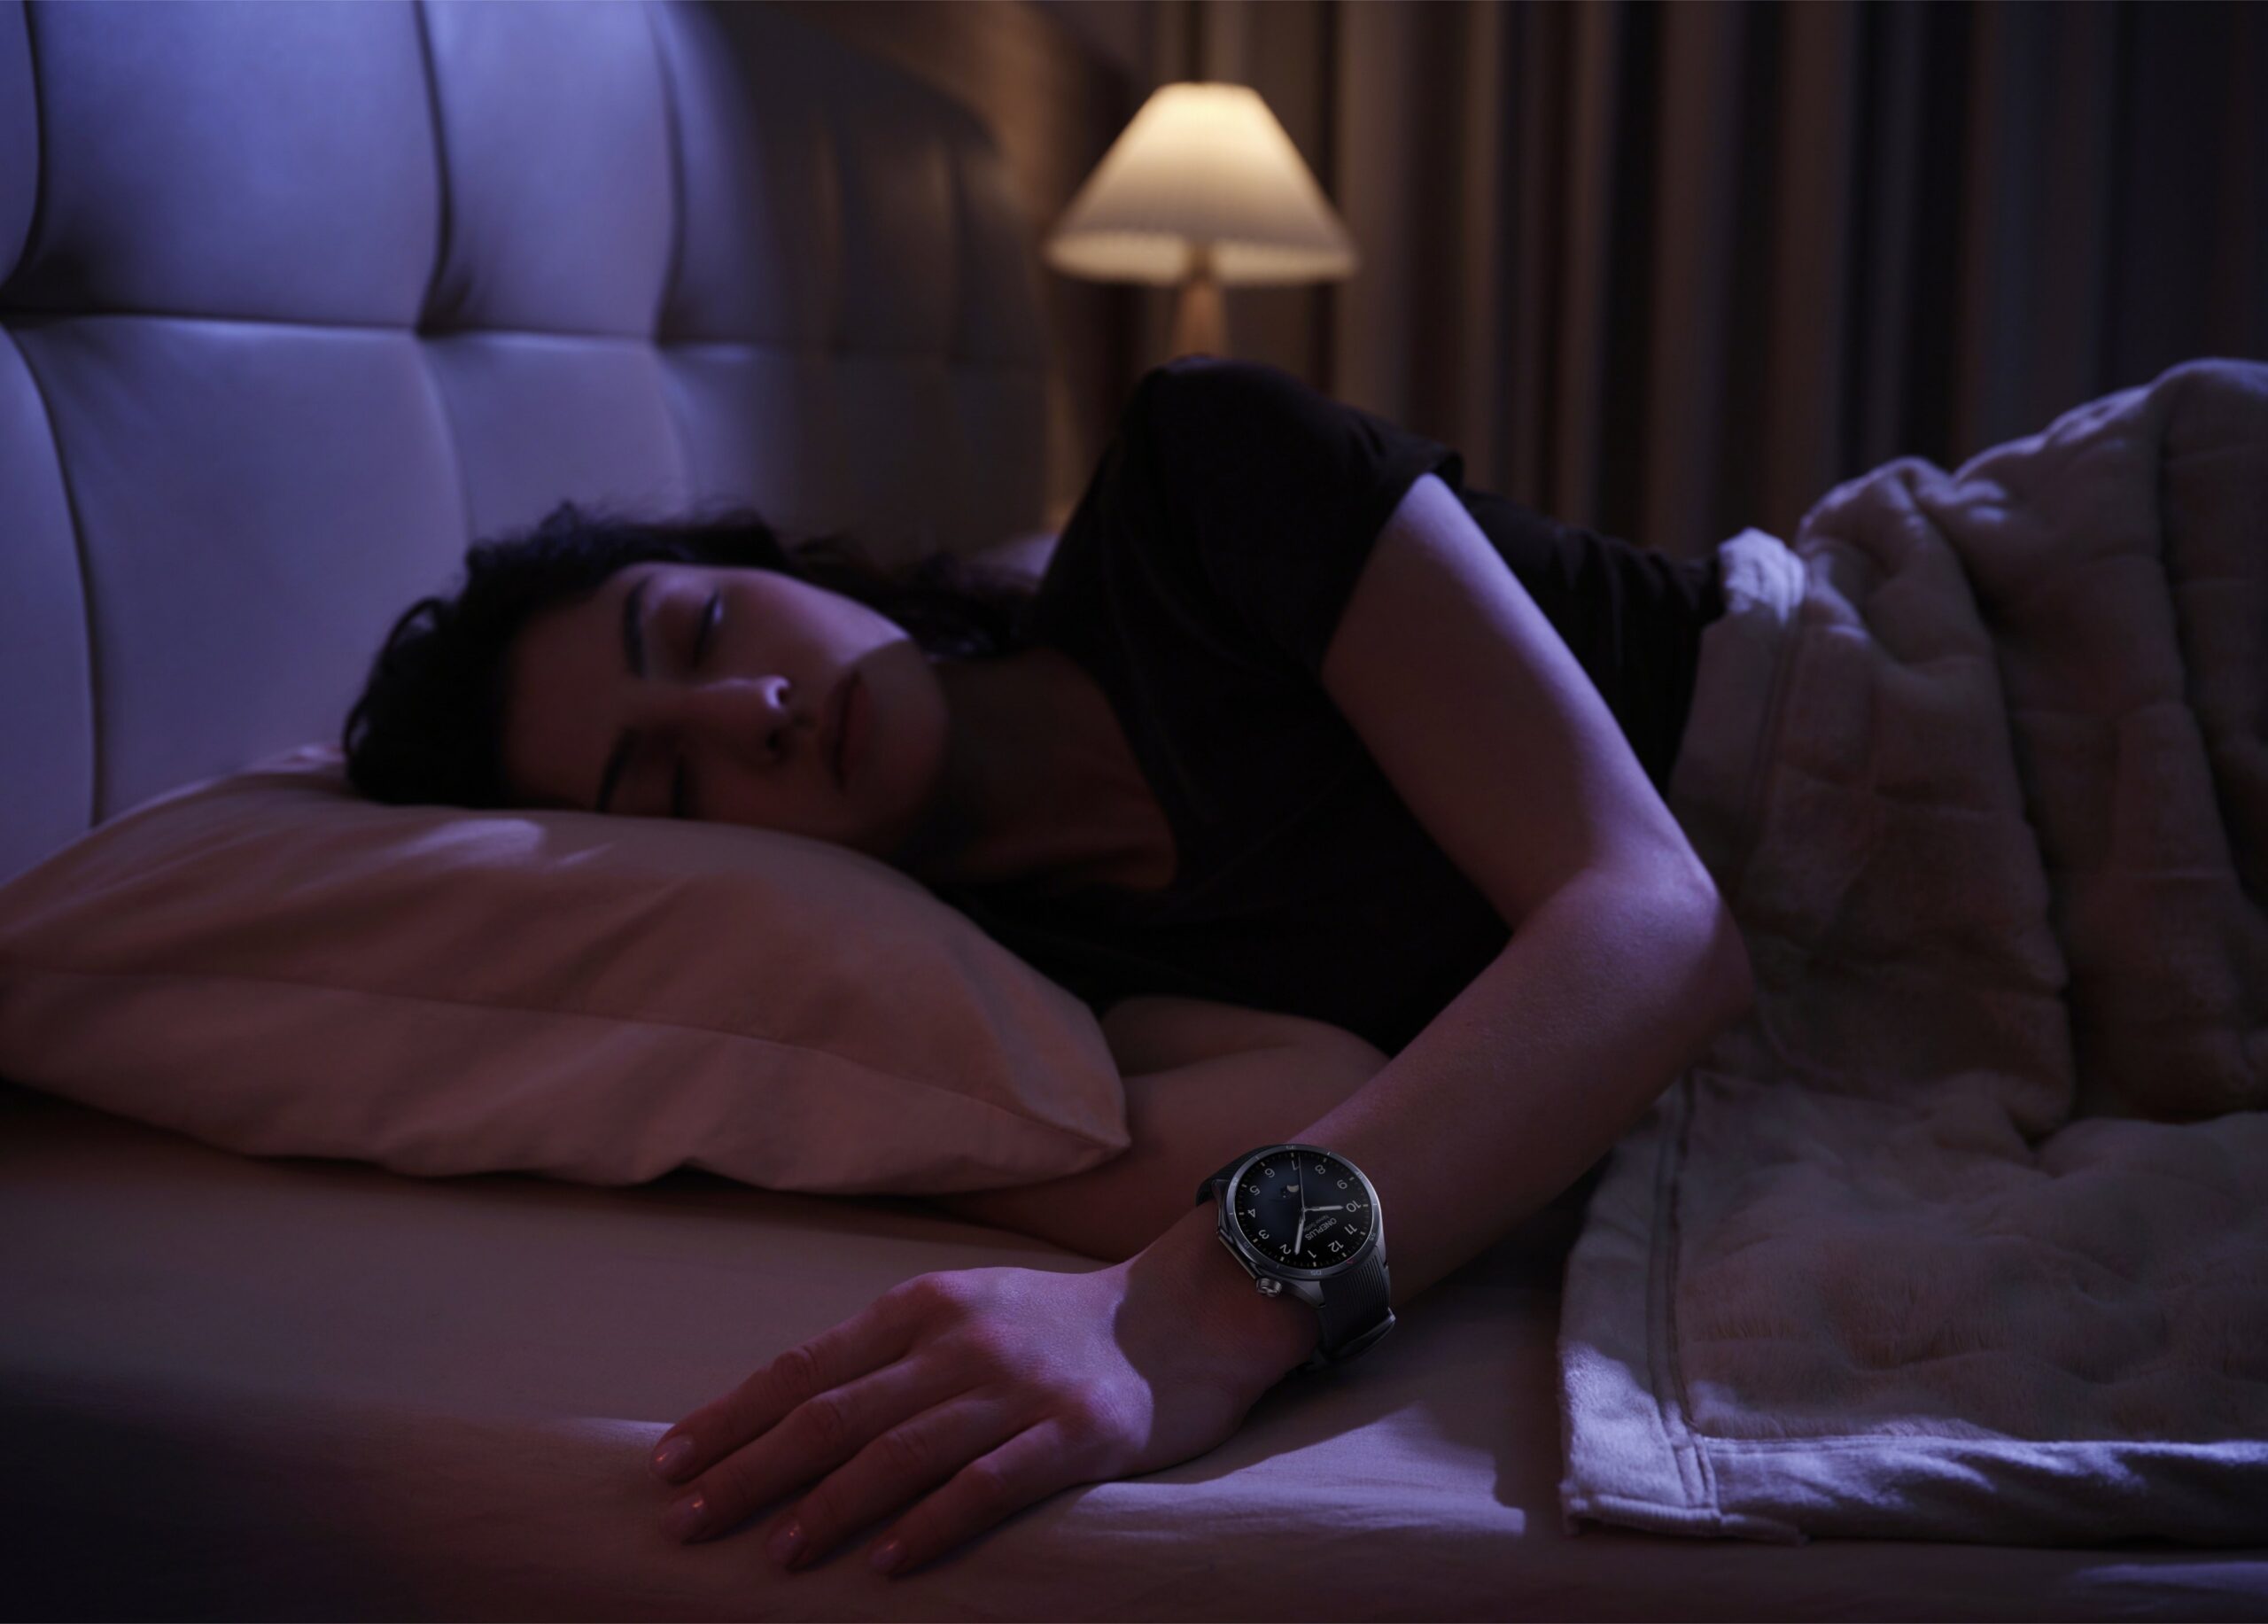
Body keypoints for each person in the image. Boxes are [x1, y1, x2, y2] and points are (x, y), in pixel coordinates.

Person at [341, 355, 1754, 1581]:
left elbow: (1658, 920)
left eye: (702, 625)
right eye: (668, 785)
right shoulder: (1010, 983)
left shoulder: (1199, 481)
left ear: (777, 564)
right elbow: (1323, 1099)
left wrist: (1185, 1313)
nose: (749, 709)